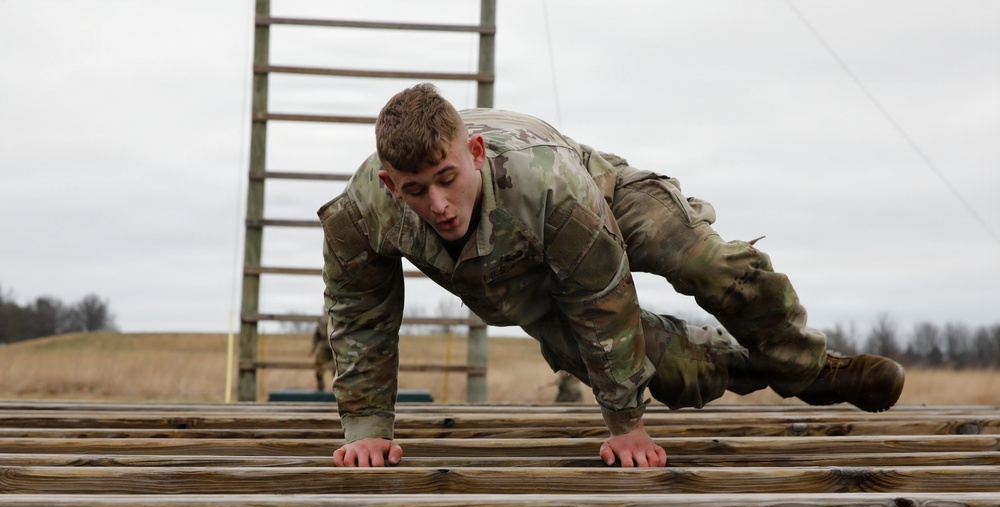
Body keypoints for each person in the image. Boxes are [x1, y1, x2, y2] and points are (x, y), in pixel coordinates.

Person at [319, 83, 905, 468]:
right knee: (674, 373)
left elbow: (600, 296)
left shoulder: (548, 182)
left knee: (705, 263)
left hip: (600, 199)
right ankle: (769, 372)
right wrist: (366, 428)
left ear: (474, 153)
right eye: (417, 191)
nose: (439, 205)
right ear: (391, 185)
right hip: (521, 283)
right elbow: (360, 317)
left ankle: (811, 366)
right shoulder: (362, 212)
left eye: (448, 179)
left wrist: (625, 423)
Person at [309, 317, 334, 391]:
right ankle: (320, 388)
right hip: (324, 348)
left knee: (337, 371)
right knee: (319, 369)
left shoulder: (337, 320)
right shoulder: (321, 323)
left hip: (336, 348)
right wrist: (312, 350)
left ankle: (338, 390)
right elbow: (316, 338)